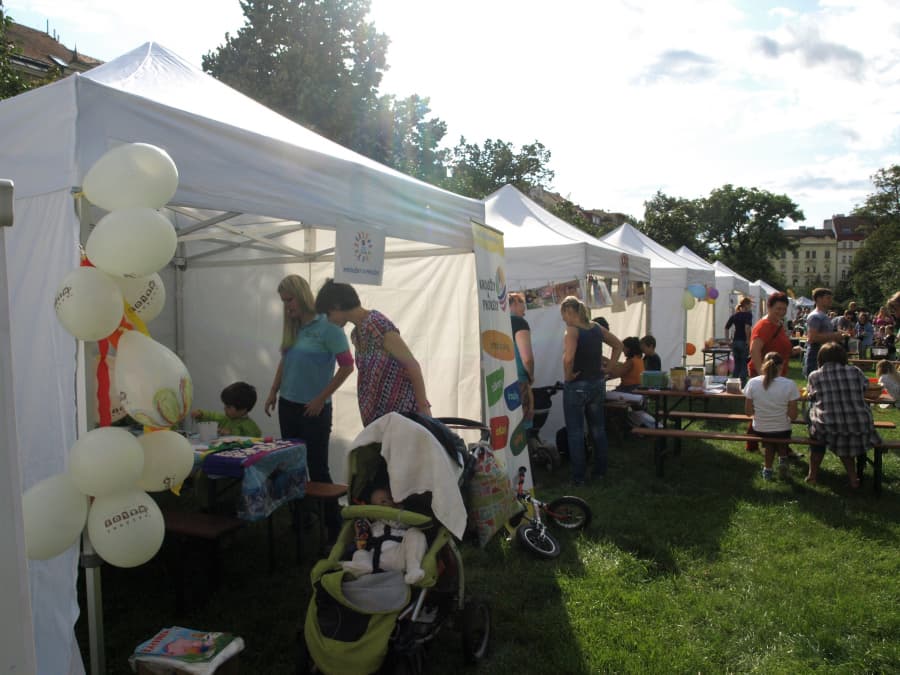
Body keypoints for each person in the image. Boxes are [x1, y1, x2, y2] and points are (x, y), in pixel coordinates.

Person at [264, 275, 354, 538]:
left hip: (315, 410)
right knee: (292, 466)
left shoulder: (329, 327)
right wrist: (273, 391)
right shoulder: (293, 328)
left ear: (302, 296)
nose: (286, 306)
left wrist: (320, 398)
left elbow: (347, 366)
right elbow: (285, 361)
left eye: (289, 300)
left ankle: (333, 526)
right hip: (288, 405)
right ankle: (301, 520)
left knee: (317, 467)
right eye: (283, 301)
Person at [314, 279, 431, 426]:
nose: (328, 320)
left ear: (336, 306)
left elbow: (412, 365)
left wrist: (424, 409)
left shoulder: (378, 325)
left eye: (328, 314)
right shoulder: (357, 334)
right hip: (379, 418)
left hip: (402, 416)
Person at [560, 295, 623, 486]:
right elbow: (618, 345)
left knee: (576, 432)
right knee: (598, 429)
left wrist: (568, 376)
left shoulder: (572, 330)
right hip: (597, 383)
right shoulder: (596, 327)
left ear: (569, 312)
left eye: (563, 314)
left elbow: (568, 358)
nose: (563, 319)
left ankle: (578, 478)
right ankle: (600, 472)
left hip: (577, 386)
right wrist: (609, 368)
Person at [806, 342, 881, 488]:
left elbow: (811, 396)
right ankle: (853, 478)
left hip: (829, 426)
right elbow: (866, 389)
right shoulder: (855, 371)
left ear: (820, 358)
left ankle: (812, 475)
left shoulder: (815, 375)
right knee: (843, 433)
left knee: (814, 425)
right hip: (860, 425)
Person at [747, 292, 801, 455]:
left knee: (767, 408)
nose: (781, 312)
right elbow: (754, 350)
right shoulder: (764, 325)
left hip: (776, 373)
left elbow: (776, 346)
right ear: (769, 307)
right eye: (778, 308)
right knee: (772, 409)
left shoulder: (777, 324)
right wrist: (762, 376)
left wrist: (791, 351)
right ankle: (781, 446)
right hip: (766, 375)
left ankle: (753, 443)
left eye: (784, 309)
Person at [340, 486, 427, 585]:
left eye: (383, 501)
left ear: (396, 505)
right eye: (374, 505)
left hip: (397, 556)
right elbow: (361, 535)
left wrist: (389, 514)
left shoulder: (400, 519)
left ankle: (413, 569)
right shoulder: (371, 523)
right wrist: (361, 527)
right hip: (373, 558)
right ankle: (355, 568)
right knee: (360, 553)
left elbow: (402, 524)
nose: (379, 507)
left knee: (415, 533)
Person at [743, 352, 800, 480]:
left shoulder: (753, 382)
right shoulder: (789, 384)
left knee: (770, 440)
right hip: (782, 428)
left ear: (764, 365)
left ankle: (768, 469)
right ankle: (783, 460)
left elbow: (748, 412)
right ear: (781, 366)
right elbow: (793, 416)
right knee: (780, 434)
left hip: (760, 427)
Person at [192, 381, 262, 437]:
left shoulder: (251, 427)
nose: (224, 408)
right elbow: (213, 416)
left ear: (243, 409)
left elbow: (253, 437)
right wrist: (201, 414)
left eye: (228, 407)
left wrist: (231, 433)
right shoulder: (226, 419)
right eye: (225, 405)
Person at [803, 288, 845, 378]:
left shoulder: (823, 315)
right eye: (828, 298)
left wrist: (837, 335)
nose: (831, 300)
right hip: (816, 354)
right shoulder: (815, 316)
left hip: (824, 353)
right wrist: (835, 336)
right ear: (819, 299)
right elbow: (813, 337)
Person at [510, 292, 534, 423]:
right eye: (522, 304)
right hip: (520, 382)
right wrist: (531, 376)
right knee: (523, 425)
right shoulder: (519, 322)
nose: (524, 312)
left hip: (500, 383)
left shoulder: (495, 321)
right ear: (514, 303)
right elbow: (527, 359)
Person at [724, 297, 754, 383]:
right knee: (744, 364)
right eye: (750, 304)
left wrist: (727, 340)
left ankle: (733, 384)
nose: (751, 306)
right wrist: (748, 340)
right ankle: (743, 385)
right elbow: (747, 327)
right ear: (746, 305)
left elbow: (726, 327)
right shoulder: (748, 315)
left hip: (735, 342)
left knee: (737, 365)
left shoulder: (735, 315)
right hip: (743, 341)